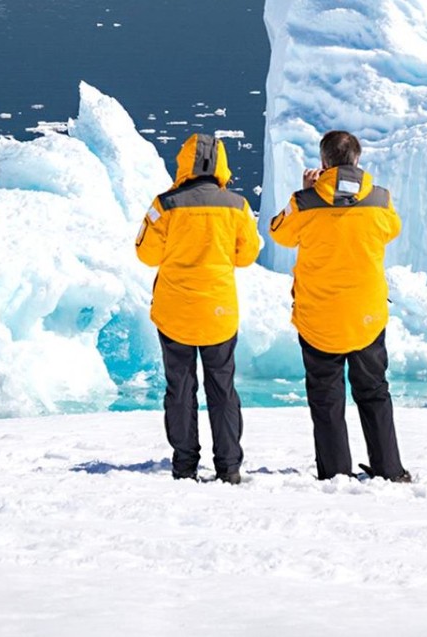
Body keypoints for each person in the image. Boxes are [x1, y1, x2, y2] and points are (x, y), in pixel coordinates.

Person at [269, 130, 411, 483]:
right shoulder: (380, 200)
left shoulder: (304, 203)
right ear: (357, 160)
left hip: (319, 318)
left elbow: (278, 232)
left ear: (323, 163)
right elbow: (393, 229)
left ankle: (335, 473)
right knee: (374, 392)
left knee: (326, 397)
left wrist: (302, 192)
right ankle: (389, 470)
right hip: (366, 315)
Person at [135, 133, 261, 484]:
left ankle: (185, 464)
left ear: (184, 160)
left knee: (180, 388)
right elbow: (247, 255)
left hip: (175, 311)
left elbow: (146, 254)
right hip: (219, 312)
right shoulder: (237, 206)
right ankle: (229, 467)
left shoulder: (164, 205)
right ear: (220, 163)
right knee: (222, 388)